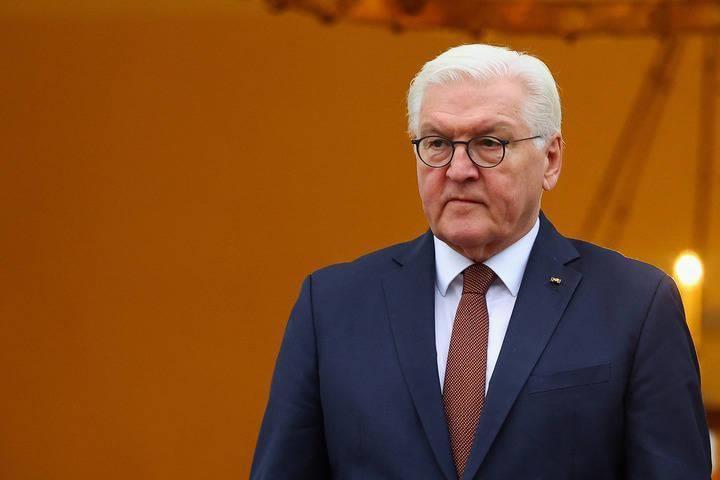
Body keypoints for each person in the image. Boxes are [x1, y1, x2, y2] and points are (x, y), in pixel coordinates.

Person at [250, 44, 711, 479]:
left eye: (489, 142)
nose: (458, 170)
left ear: (550, 159)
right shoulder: (332, 307)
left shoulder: (634, 306)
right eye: (437, 143)